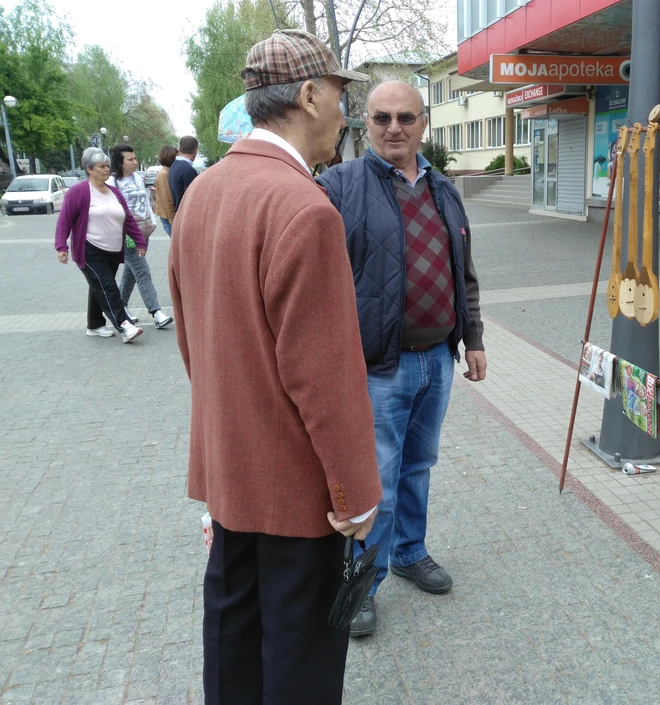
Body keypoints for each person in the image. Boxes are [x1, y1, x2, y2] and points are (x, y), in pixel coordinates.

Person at [168, 29, 380, 705]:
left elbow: (195, 345)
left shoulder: (201, 193)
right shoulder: (302, 207)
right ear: (310, 95)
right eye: (342, 95)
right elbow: (326, 379)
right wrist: (357, 494)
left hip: (230, 472)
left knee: (232, 639)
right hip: (296, 493)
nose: (346, 113)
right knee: (300, 657)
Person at [317, 79, 487, 637]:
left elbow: (463, 271)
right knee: (378, 481)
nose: (395, 128)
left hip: (437, 358)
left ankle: (411, 552)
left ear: (424, 124)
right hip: (378, 366)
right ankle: (362, 581)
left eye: (406, 118)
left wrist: (474, 338)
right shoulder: (339, 185)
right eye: (383, 118)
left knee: (418, 466)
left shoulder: (444, 189)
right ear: (365, 123)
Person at [54, 147, 146, 344]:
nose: (107, 169)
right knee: (108, 287)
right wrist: (61, 246)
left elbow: (128, 219)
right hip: (89, 250)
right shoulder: (78, 192)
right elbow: (64, 220)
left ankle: (94, 325)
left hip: (112, 250)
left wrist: (139, 240)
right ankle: (124, 325)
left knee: (100, 286)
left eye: (107, 166)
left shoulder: (114, 192)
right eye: (101, 166)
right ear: (89, 169)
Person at [108, 144, 173, 330]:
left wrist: (151, 222)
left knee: (132, 271)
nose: (135, 162)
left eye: (135, 158)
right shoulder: (113, 183)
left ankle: (120, 306)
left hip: (144, 231)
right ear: (120, 162)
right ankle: (156, 313)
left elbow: (145, 202)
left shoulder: (138, 178)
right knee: (142, 271)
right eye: (130, 159)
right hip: (127, 234)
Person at [169, 135, 198, 211]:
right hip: (186, 213)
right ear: (196, 150)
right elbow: (193, 198)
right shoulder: (188, 170)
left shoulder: (173, 166)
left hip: (178, 212)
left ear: (179, 148)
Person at [153, 145, 178, 236]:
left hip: (168, 216)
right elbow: (167, 198)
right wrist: (173, 221)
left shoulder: (167, 172)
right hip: (168, 217)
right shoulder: (164, 174)